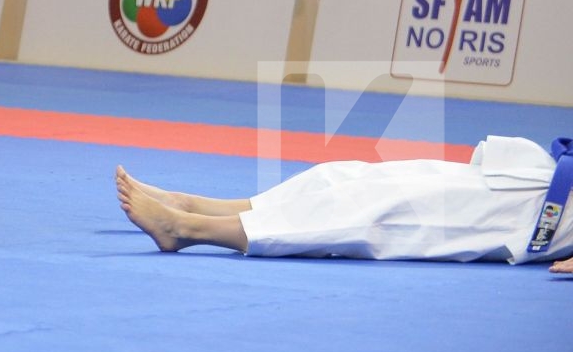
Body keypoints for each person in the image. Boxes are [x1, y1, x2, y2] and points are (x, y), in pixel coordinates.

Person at [115, 137, 573, 265]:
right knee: (348, 176)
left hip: (541, 216)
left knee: (376, 211)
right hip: (543, 174)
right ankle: (196, 205)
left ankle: (187, 230)